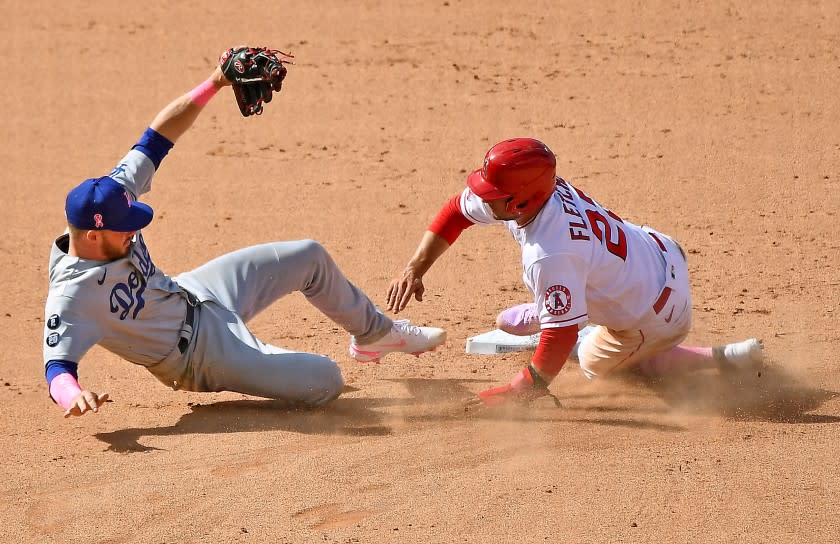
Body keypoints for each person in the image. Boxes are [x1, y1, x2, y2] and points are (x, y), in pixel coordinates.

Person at [43, 49, 446, 418]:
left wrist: (215, 80)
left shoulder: (110, 198)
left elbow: (157, 137)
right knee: (325, 380)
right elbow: (57, 367)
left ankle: (375, 334)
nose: (133, 232)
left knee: (309, 256)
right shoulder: (72, 295)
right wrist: (72, 394)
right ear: (92, 237)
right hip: (199, 358)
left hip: (198, 292)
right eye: (125, 229)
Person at [387, 138, 762, 406]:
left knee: (594, 362)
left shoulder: (549, 252)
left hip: (660, 313)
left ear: (520, 201)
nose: (483, 197)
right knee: (566, 309)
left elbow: (561, 337)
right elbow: (456, 210)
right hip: (659, 251)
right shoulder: (536, 194)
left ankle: (720, 358)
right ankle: (558, 307)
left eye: (492, 194)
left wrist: (528, 385)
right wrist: (415, 268)